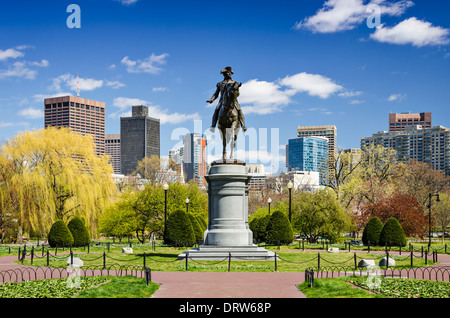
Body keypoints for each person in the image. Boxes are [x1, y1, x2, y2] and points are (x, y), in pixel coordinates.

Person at [207, 66, 247, 133]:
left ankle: (243, 126)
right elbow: (216, 93)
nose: (229, 74)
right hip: (222, 101)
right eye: (227, 73)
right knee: (216, 110)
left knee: (240, 111)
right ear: (224, 74)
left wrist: (235, 92)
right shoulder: (220, 84)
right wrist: (211, 99)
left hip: (233, 101)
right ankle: (213, 126)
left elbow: (238, 93)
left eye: (230, 73)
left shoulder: (235, 83)